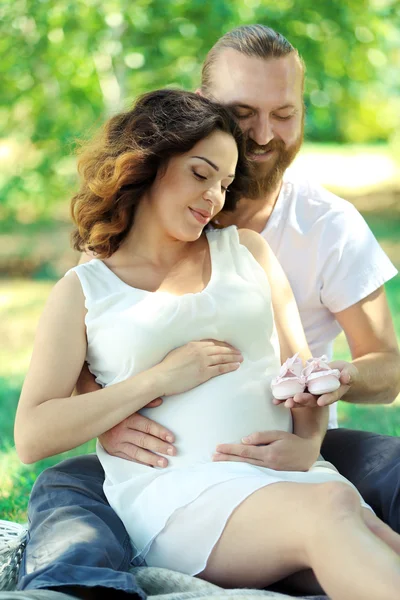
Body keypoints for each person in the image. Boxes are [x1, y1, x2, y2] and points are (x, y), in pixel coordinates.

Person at [11, 24, 400, 600]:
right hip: (183, 491)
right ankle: (72, 585)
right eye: (200, 174)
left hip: (290, 468)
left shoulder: (257, 246)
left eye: (223, 182)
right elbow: (37, 427)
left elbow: (306, 369)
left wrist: (311, 437)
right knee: (64, 488)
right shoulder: (89, 283)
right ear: (148, 162)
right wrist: (150, 386)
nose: (215, 198)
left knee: (348, 502)